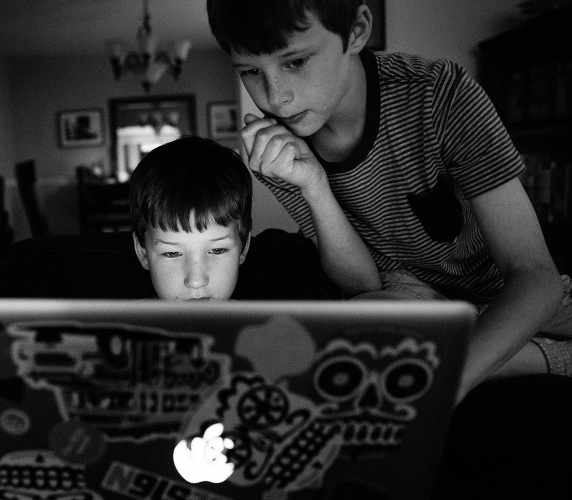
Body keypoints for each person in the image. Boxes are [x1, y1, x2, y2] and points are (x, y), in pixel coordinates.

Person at [206, 0, 570, 402]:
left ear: (357, 31)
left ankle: (530, 353)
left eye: (296, 62)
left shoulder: (437, 94)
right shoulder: (277, 150)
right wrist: (314, 186)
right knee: (340, 344)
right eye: (252, 72)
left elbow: (535, 276)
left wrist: (450, 378)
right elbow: (363, 284)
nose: (276, 100)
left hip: (505, 298)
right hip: (408, 299)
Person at [129, 135, 252, 300]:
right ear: (142, 252)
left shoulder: (272, 323)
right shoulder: (118, 324)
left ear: (243, 247)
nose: (196, 281)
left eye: (218, 250)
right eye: (172, 253)